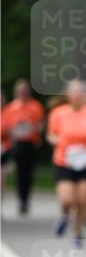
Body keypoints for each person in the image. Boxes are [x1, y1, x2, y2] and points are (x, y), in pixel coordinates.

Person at [47, 79, 86, 247]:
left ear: (85, 95)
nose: (77, 95)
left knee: (83, 200)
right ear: (67, 94)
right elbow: (50, 135)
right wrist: (57, 140)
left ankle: (77, 232)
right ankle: (64, 216)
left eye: (80, 92)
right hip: (65, 161)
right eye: (73, 91)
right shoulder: (58, 113)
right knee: (67, 199)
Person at [1, 79, 45, 214]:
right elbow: (5, 126)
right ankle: (21, 199)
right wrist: (13, 131)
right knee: (19, 172)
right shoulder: (10, 108)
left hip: (31, 142)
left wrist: (33, 129)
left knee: (28, 172)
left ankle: (25, 198)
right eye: (20, 91)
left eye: (25, 90)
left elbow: (42, 124)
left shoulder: (36, 106)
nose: (22, 93)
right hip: (16, 144)